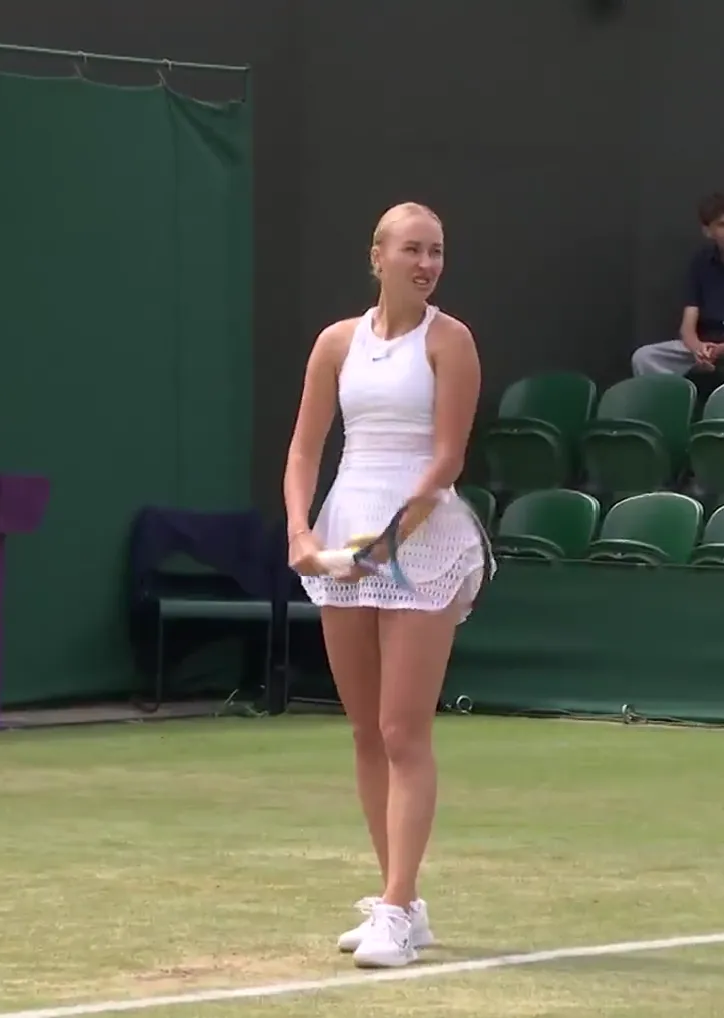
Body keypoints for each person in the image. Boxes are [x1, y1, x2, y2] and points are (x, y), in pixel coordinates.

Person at [282, 202, 490, 970]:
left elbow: (446, 460)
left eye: (436, 251)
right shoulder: (336, 342)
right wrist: (302, 534)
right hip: (346, 531)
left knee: (404, 730)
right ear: (377, 256)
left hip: (421, 541)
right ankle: (398, 897)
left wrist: (391, 541)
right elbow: (304, 450)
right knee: (366, 730)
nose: (426, 263)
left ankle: (398, 908)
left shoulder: (451, 341)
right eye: (412, 249)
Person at [629, 193, 724, 379]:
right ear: (708, 231)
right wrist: (698, 349)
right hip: (706, 342)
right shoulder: (700, 263)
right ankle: (672, 403)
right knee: (645, 357)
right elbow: (688, 325)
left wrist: (723, 349)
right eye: (723, 225)